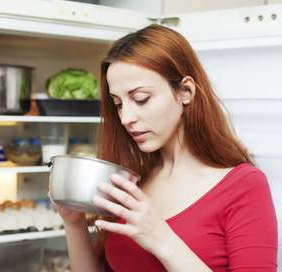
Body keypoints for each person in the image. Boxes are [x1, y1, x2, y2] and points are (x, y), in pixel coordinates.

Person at [53, 24, 278, 271]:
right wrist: (74, 225)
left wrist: (161, 238)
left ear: (186, 92)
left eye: (141, 99)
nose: (126, 117)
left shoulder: (243, 185)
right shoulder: (131, 182)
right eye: (118, 104)